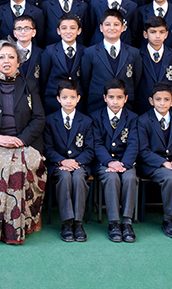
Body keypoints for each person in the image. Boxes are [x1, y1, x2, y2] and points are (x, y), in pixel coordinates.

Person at [0, 38, 47, 244]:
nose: (6, 61)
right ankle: (0, 227)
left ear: (18, 61)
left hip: (24, 142)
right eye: (1, 57)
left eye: (11, 57)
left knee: (26, 163)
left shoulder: (29, 85)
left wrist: (21, 140)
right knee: (0, 164)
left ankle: (23, 224)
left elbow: (39, 119)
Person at [136, 82, 172, 239]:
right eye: (158, 99)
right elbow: (143, 151)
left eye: (166, 99)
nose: (162, 103)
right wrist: (164, 163)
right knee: (170, 177)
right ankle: (169, 220)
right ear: (151, 101)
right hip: (152, 165)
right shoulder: (143, 120)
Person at [44, 80, 95, 242]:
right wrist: (62, 161)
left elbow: (90, 150)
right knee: (65, 177)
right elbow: (47, 149)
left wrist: (76, 162)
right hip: (58, 165)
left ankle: (78, 223)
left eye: (72, 97)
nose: (68, 101)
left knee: (79, 177)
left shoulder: (86, 121)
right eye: (64, 97)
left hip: (80, 164)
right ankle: (66, 223)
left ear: (78, 99)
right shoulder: (50, 120)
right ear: (58, 99)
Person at [92, 79, 139, 243]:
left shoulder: (132, 118)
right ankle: (113, 223)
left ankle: (126, 222)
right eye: (111, 97)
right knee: (111, 178)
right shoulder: (96, 117)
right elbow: (97, 144)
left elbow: (133, 144)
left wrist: (124, 164)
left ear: (126, 99)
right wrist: (110, 162)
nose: (115, 101)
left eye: (119, 97)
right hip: (104, 163)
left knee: (130, 178)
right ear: (104, 98)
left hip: (126, 162)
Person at [81, 9, 143, 114]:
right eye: (107, 24)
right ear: (101, 28)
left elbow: (136, 79)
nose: (112, 28)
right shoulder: (90, 52)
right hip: (97, 102)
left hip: (125, 104)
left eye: (116, 24)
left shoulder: (134, 53)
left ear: (123, 28)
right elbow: (85, 79)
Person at [40, 14, 86, 114]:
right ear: (58, 31)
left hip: (77, 100)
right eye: (64, 28)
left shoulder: (85, 51)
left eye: (72, 28)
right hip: (53, 99)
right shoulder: (50, 51)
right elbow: (43, 77)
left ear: (79, 31)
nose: (68, 31)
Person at [135, 16, 172, 115]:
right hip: (143, 106)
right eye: (153, 32)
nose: (157, 36)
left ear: (166, 34)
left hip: (167, 108)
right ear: (145, 34)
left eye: (161, 32)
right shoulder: (137, 55)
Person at [12, 15, 42, 84]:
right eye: (19, 28)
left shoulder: (41, 53)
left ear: (34, 32)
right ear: (14, 33)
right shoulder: (8, 52)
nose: (23, 32)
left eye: (27, 28)